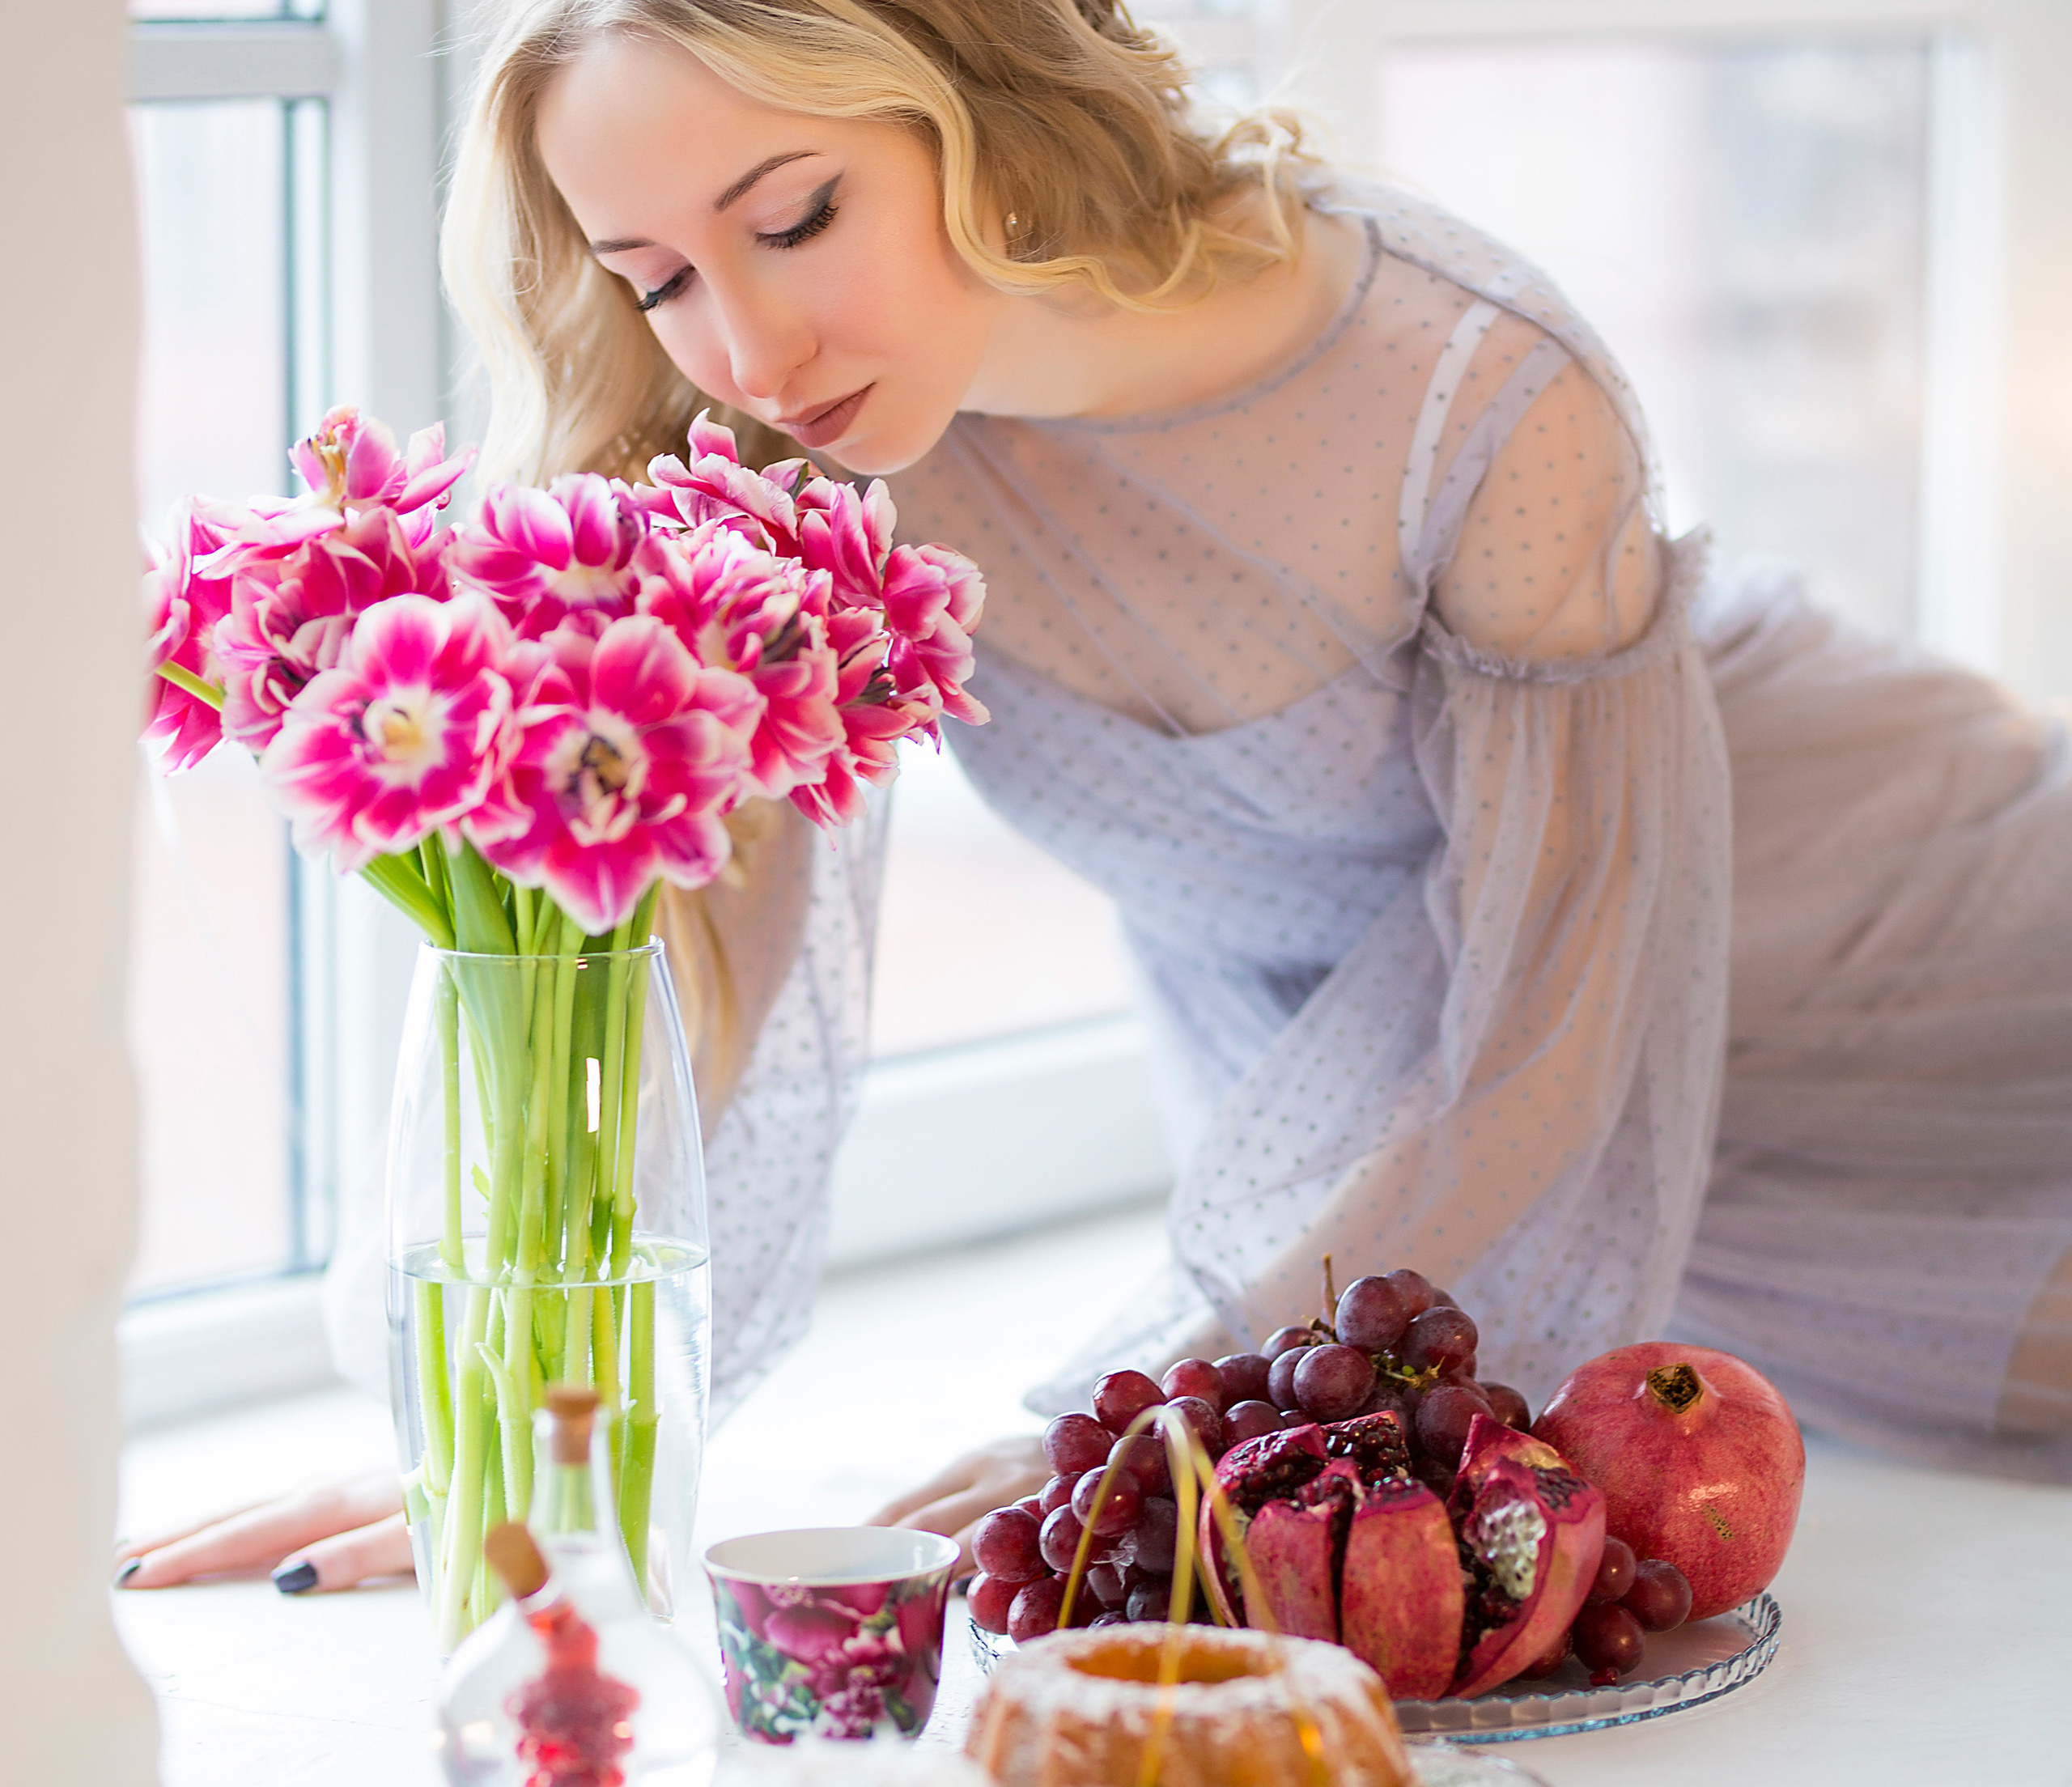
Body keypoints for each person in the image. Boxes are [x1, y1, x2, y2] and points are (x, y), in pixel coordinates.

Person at [117, 0, 2072, 1595]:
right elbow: (698, 975)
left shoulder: (1469, 384)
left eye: (795, 217)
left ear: (973, 99)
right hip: (1408, 1164)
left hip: (1866, 941)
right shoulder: (786, 446)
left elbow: (1555, 1017)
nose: (745, 346)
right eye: (656, 279)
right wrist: (514, 1417)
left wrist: (1143, 1403)